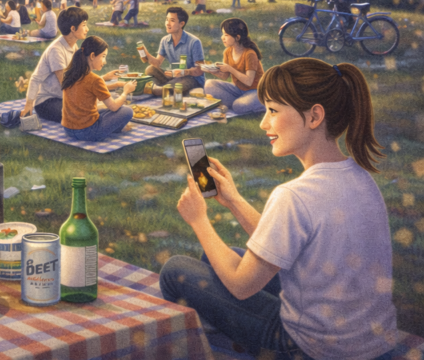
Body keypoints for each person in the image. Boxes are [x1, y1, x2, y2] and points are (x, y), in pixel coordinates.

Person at [160, 59, 397, 360]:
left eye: (272, 111)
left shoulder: (294, 196)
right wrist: (233, 200)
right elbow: (290, 240)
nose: (264, 123)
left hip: (309, 348)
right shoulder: (361, 179)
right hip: (372, 344)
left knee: (174, 270)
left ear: (314, 117)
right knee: (224, 255)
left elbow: (241, 286)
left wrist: (199, 220)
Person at [61, 37, 136, 142]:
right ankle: (114, 129)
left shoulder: (71, 74)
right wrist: (126, 91)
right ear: (92, 56)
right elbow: (114, 107)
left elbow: (86, 87)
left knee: (102, 109)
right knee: (127, 110)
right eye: (103, 56)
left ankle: (112, 127)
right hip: (89, 132)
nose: (104, 62)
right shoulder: (94, 80)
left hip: (68, 129)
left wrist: (105, 78)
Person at [21, 7, 88, 122]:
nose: (87, 29)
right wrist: (29, 103)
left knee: (91, 108)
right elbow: (66, 84)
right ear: (73, 28)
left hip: (63, 98)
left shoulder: (73, 46)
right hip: (47, 102)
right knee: (80, 114)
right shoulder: (56, 50)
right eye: (84, 25)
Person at [204, 19, 266, 115]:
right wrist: (211, 70)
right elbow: (225, 76)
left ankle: (264, 102)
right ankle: (240, 103)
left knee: (238, 106)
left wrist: (230, 68)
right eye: (223, 34)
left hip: (256, 90)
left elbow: (249, 81)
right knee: (208, 84)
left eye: (226, 35)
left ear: (237, 37)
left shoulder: (249, 54)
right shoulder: (228, 52)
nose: (222, 38)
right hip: (238, 90)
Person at [141, 6, 205, 96]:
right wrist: (146, 54)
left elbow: (200, 70)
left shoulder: (194, 42)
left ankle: (161, 90)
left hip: (191, 78)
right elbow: (157, 63)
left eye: (172, 20)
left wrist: (184, 72)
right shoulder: (165, 40)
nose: (168, 23)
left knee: (172, 88)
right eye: (167, 20)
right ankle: (165, 88)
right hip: (173, 76)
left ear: (181, 24)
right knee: (150, 69)